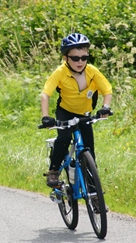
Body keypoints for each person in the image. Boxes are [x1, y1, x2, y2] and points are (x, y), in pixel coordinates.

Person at [41, 33, 113, 187]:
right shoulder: (60, 72)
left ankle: (94, 194)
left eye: (84, 57)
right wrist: (46, 117)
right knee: (64, 138)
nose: (80, 62)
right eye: (75, 58)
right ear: (66, 58)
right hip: (65, 111)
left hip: (85, 114)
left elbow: (107, 90)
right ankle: (53, 171)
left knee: (89, 152)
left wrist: (105, 107)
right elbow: (45, 95)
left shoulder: (92, 71)